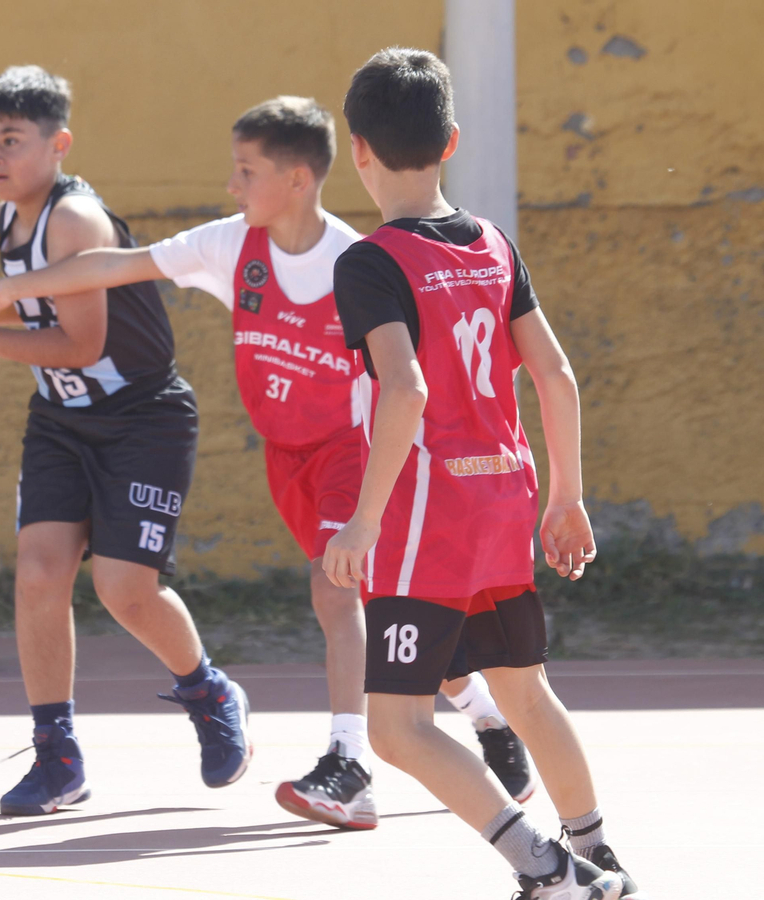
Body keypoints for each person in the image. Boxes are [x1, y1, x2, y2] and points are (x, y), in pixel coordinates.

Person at [0, 96, 536, 829]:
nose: (231, 185)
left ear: (298, 179)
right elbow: (120, 263)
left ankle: (348, 763)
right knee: (376, 605)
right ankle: (488, 720)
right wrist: (10, 288)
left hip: (352, 452)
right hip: (289, 457)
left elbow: (414, 374)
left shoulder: (355, 264)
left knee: (337, 592)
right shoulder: (234, 244)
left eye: (245, 171)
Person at [323, 47, 643, 899]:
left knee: (394, 726)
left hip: (431, 509)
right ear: (452, 142)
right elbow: (557, 375)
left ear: (358, 149)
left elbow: (406, 387)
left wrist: (362, 521)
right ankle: (599, 854)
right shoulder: (494, 245)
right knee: (527, 694)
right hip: (508, 492)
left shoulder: (369, 263)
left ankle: (546, 867)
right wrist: (568, 497)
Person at [0, 66, 249, 817]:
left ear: (58, 144)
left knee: (124, 590)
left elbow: (84, 343)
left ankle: (208, 691)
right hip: (61, 422)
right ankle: (56, 757)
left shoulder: (75, 222)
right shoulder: (8, 219)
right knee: (38, 575)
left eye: (13, 140)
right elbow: (39, 324)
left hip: (142, 418)